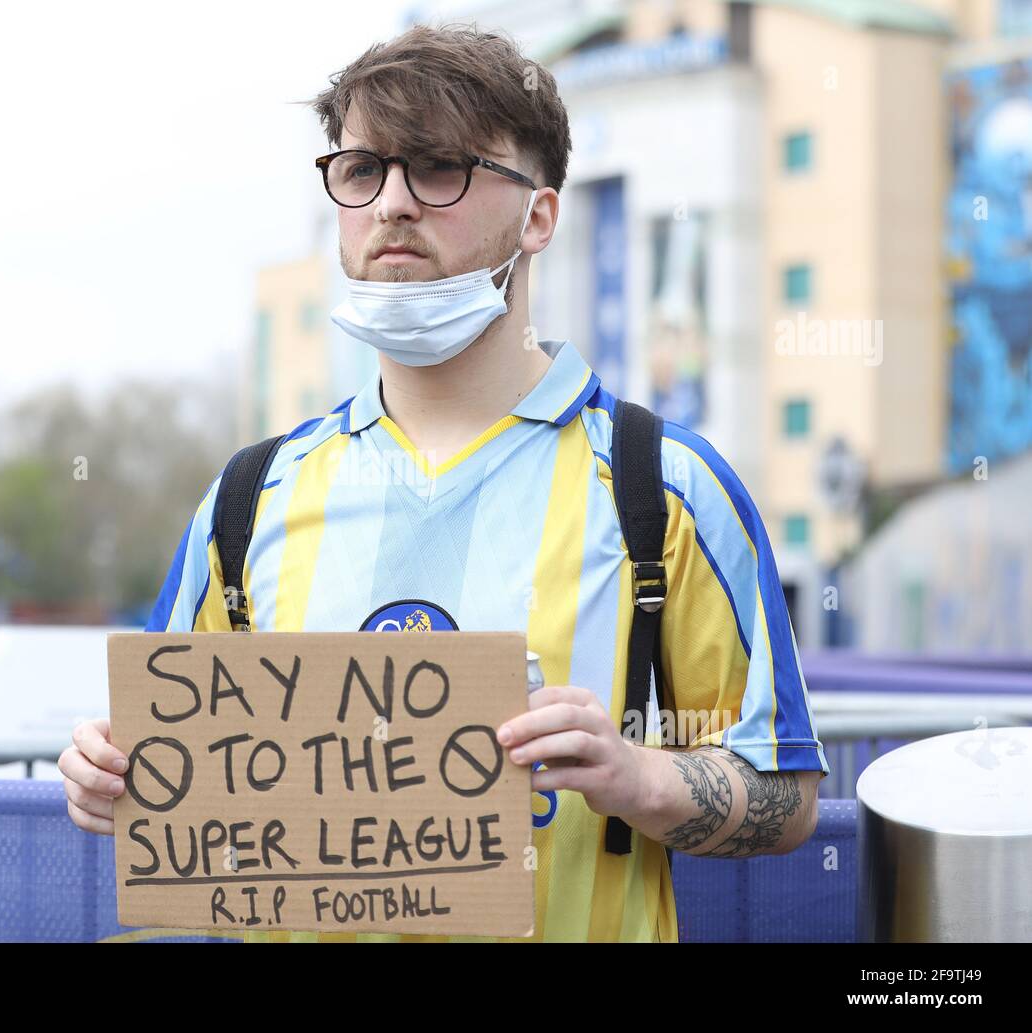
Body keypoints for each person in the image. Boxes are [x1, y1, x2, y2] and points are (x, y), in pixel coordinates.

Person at [61, 23, 830, 942]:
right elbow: (175, 792)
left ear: (539, 216)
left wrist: (640, 777)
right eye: (361, 170)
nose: (391, 203)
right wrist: (108, 774)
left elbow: (785, 794)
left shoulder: (666, 489)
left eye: (437, 168)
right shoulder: (247, 497)